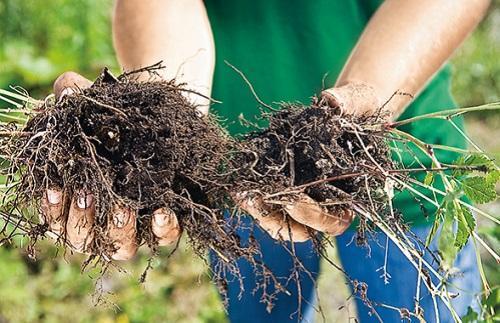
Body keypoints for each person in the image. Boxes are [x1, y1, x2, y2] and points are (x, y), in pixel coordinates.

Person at [46, 0, 490, 321]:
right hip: (232, 168)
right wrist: (165, 120)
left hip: (397, 156)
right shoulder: (212, 158)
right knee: (259, 310)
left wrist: (364, 108)